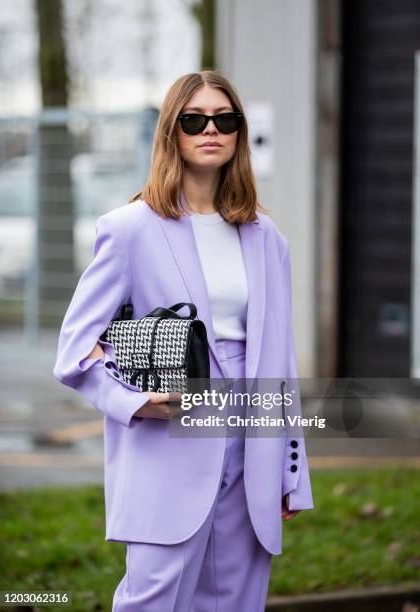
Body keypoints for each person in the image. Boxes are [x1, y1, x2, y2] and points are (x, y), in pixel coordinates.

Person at [53, 69, 314, 612]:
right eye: (194, 120)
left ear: (240, 132)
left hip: (251, 441)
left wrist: (291, 470)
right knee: (152, 600)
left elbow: (279, 360)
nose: (210, 130)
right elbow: (75, 348)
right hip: (167, 436)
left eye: (225, 119)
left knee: (238, 601)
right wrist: (136, 403)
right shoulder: (129, 230)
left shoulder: (267, 238)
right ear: (172, 131)